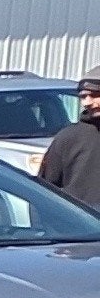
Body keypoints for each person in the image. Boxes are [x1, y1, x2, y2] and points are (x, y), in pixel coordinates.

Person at [46, 73, 100, 202]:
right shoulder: (68, 138)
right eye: (83, 97)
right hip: (81, 218)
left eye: (94, 95)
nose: (87, 102)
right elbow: (46, 188)